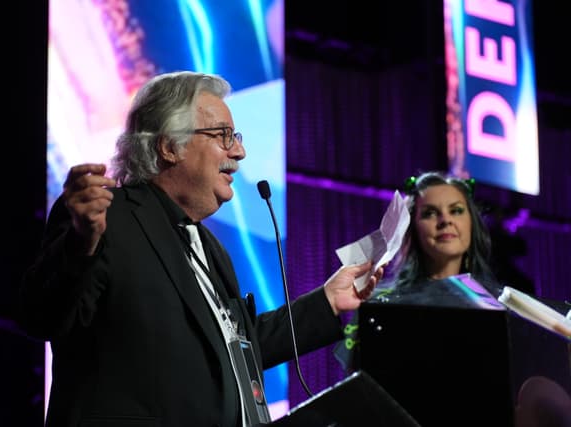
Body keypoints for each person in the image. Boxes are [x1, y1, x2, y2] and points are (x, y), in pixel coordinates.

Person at [19, 70, 384, 427]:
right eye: (223, 136)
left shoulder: (208, 245)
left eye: (235, 136)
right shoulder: (106, 218)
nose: (239, 152)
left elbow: (236, 346)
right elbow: (41, 315)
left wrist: (328, 301)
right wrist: (80, 245)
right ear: (169, 146)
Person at [334, 170, 500, 372]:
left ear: (472, 223)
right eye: (430, 213)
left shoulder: (498, 307)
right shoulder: (382, 305)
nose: (445, 220)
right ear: (411, 227)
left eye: (456, 210)